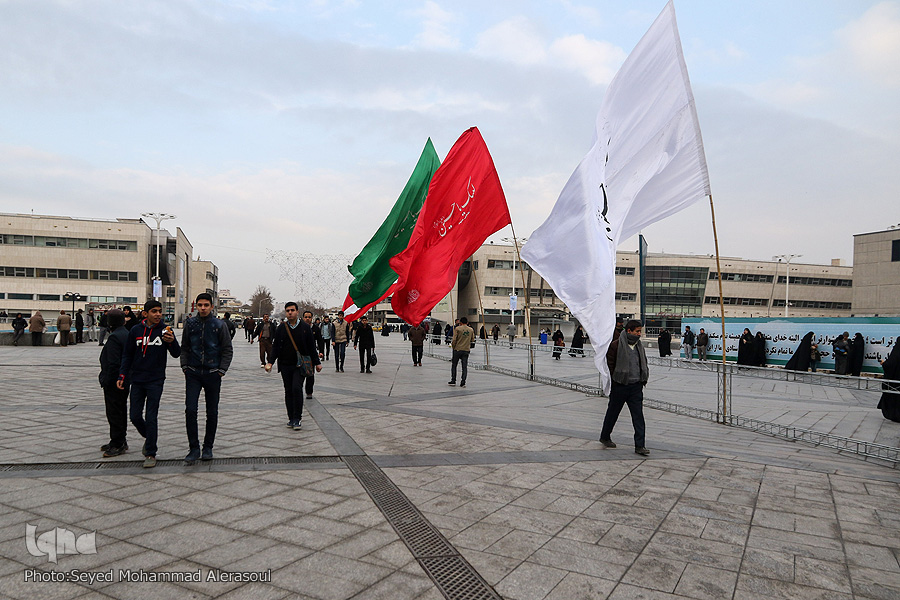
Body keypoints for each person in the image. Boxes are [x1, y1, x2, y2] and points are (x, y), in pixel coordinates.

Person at [118, 300, 181, 469]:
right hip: (137, 379)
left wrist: (171, 341)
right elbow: (127, 355)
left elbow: (176, 353)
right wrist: (122, 374)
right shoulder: (135, 331)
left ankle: (150, 452)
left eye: (160, 311)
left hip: (156, 380)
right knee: (135, 416)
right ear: (145, 314)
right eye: (154, 311)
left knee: (152, 416)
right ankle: (150, 437)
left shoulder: (165, 330)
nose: (158, 314)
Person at [180, 294, 233, 464]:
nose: (203, 308)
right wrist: (185, 367)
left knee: (212, 412)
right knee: (190, 410)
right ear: (196, 306)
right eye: (200, 305)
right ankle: (193, 448)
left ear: (212, 306)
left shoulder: (219, 325)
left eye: (206, 305)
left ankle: (208, 446)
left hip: (212, 373)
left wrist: (221, 370)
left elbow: (227, 349)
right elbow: (185, 347)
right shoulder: (190, 323)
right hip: (193, 372)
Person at [267, 302, 321, 430]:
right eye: (287, 311)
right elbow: (275, 347)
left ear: (297, 312)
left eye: (292, 310)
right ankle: (291, 417)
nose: (290, 312)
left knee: (297, 388)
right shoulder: (281, 328)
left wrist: (317, 362)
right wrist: (270, 362)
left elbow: (311, 347)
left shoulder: (305, 328)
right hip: (285, 365)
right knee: (288, 391)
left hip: (300, 365)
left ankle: (298, 418)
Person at [599, 319, 650, 456]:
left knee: (638, 417)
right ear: (629, 331)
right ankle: (605, 436)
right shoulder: (616, 346)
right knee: (612, 413)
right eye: (637, 331)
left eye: (640, 331)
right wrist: (615, 383)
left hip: (636, 387)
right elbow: (609, 365)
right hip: (620, 387)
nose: (639, 334)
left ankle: (640, 445)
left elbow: (643, 363)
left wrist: (641, 380)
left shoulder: (639, 346)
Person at [98, 309, 130, 457]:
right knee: (120, 410)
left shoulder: (115, 337)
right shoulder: (126, 334)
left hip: (114, 381)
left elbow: (113, 363)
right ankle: (120, 439)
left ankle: (117, 442)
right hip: (124, 379)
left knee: (114, 412)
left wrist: (106, 380)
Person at [302, 311, 325, 400]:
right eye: (306, 317)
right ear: (303, 318)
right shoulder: (299, 328)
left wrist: (321, 351)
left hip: (311, 354)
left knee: (310, 374)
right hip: (301, 354)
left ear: (312, 318)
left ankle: (309, 392)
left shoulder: (316, 329)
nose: (307, 319)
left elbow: (320, 341)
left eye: (309, 317)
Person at [877, 343, 900, 422]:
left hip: (895, 382)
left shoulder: (897, 352)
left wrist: (884, 363)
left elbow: (890, 365)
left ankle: (895, 415)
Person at [448, 317, 474, 387]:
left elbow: (454, 340)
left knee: (454, 365)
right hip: (466, 349)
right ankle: (463, 382)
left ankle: (453, 380)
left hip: (457, 349)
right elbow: (472, 339)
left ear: (460, 322)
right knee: (464, 367)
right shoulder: (471, 330)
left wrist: (453, 347)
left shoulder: (457, 329)